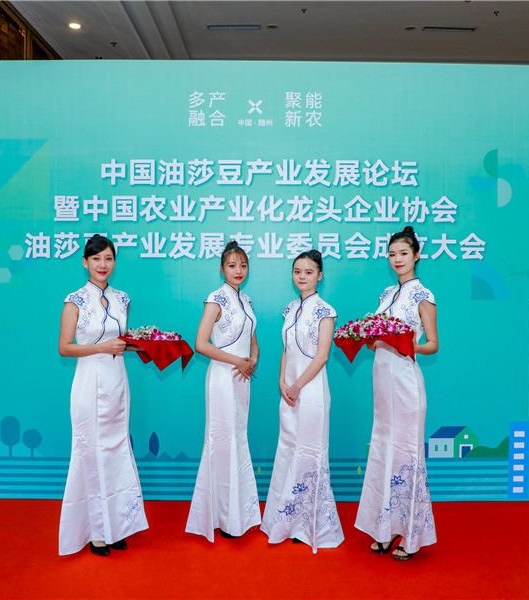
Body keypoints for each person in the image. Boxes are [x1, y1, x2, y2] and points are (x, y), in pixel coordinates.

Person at [57, 235, 148, 557]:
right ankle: (97, 532)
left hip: (117, 382)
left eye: (108, 258)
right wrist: (102, 347)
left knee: (116, 450)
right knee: (92, 453)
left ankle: (117, 526)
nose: (102, 265)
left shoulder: (123, 299)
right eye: (96, 259)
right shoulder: (75, 301)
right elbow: (65, 347)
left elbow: (120, 341)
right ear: (85, 262)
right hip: (88, 384)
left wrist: (149, 345)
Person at [355, 226, 439, 561]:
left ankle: (411, 535)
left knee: (407, 455)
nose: (397, 259)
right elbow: (375, 339)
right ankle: (386, 528)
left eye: (403, 253)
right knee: (383, 452)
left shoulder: (423, 295)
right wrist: (368, 336)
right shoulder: (386, 294)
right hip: (382, 383)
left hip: (406, 383)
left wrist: (405, 344)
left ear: (416, 255)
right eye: (392, 254)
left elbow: (432, 344)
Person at [261, 250, 344, 553]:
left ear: (320, 276)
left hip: (311, 391)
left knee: (309, 452)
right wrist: (282, 382)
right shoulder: (290, 308)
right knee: (288, 449)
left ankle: (307, 525)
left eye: (309, 272)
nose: (302, 276)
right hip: (289, 392)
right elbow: (286, 348)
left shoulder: (326, 311)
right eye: (297, 271)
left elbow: (321, 356)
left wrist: (297, 385)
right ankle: (282, 520)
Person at [186, 240, 261, 541]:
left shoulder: (248, 301)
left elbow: (253, 342)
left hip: (242, 378)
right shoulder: (215, 299)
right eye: (232, 265)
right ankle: (219, 516)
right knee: (221, 441)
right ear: (222, 269)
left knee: (237, 440)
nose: (238, 270)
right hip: (222, 377)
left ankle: (237, 514)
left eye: (243, 265)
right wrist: (237, 362)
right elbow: (201, 344)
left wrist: (251, 360)